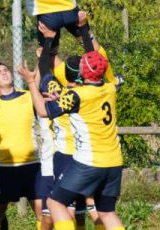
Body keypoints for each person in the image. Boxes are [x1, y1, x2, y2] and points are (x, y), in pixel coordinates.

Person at [19, 28, 125, 230]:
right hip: (114, 161)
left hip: (88, 160)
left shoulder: (75, 96)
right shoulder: (110, 88)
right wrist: (84, 30)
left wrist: (31, 81)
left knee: (55, 203)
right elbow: (93, 57)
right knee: (106, 212)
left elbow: (42, 111)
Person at [0, 63, 49, 230]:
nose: (4, 73)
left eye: (6, 70)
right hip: (3, 166)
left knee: (41, 211)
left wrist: (41, 57)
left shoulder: (28, 96)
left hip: (31, 164)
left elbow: (38, 88)